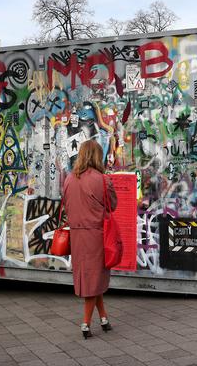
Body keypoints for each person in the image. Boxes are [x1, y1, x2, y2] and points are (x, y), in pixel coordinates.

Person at [63, 139, 117, 339]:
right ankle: (85, 323)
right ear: (97, 156)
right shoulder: (103, 180)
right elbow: (114, 204)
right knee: (94, 279)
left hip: (77, 235)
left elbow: (67, 205)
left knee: (91, 278)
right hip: (96, 235)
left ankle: (104, 318)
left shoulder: (69, 179)